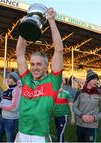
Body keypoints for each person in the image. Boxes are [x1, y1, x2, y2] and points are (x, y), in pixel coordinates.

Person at [15, 7, 63, 142]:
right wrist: (23, 28)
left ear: (46, 66)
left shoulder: (53, 81)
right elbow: (19, 53)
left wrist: (52, 21)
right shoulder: (27, 79)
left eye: (39, 64)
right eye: (33, 64)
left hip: (40, 137)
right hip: (22, 134)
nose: (35, 68)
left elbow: (59, 51)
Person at [73, 69, 101, 142]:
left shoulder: (100, 94)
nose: (96, 81)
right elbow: (74, 107)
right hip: (80, 125)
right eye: (94, 79)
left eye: (97, 79)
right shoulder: (80, 93)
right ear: (88, 80)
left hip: (92, 126)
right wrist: (82, 115)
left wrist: (95, 118)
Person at [0, 72, 21, 142]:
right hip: (2, 118)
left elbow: (14, 107)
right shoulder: (6, 91)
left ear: (15, 80)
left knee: (10, 141)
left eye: (10, 78)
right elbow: (5, 103)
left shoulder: (17, 90)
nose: (7, 79)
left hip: (11, 121)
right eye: (7, 78)